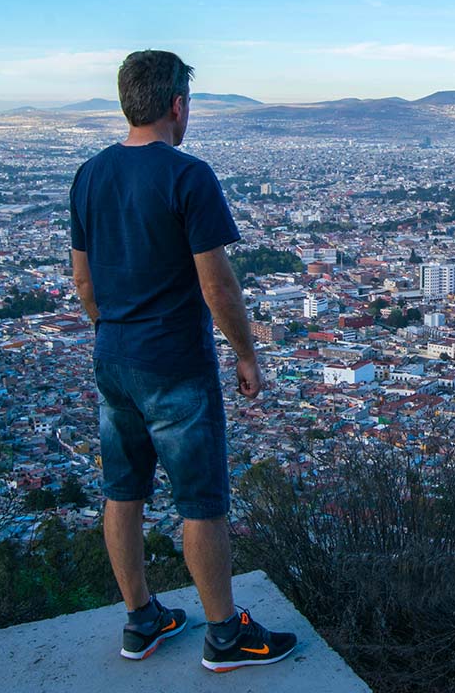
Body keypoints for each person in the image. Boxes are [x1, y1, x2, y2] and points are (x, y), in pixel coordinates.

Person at [69, 49, 297, 673]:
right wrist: (246, 353)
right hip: (175, 361)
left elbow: (83, 283)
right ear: (177, 105)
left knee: (123, 490)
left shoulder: (88, 174)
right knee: (201, 500)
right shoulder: (188, 175)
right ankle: (225, 636)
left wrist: (113, 330)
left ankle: (141, 618)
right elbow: (217, 287)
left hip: (113, 356)